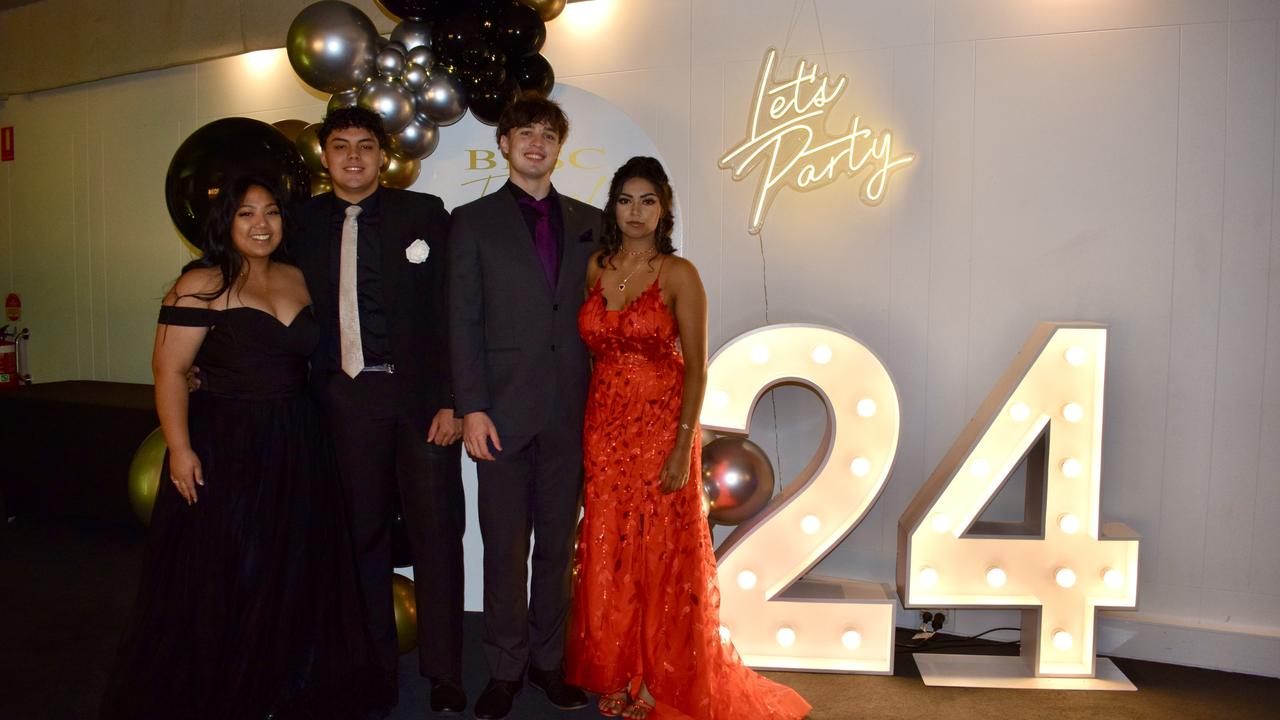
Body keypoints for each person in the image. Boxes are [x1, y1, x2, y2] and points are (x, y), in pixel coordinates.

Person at [102, 176, 384, 720]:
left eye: (272, 213)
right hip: (226, 444)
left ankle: (284, 681)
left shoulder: (300, 277)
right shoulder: (198, 285)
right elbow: (170, 371)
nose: (261, 224)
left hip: (298, 438)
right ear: (225, 224)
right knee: (233, 566)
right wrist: (180, 450)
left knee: (292, 564)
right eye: (246, 214)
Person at [566, 157, 812, 720]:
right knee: (609, 548)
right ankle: (622, 669)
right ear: (613, 207)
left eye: (647, 201)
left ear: (664, 209)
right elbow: (590, 353)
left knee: (660, 556)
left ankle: (658, 679)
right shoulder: (596, 266)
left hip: (661, 430)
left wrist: (683, 445)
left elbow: (697, 368)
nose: (635, 211)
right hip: (604, 428)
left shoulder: (679, 274)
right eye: (626, 200)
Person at [289, 106, 466, 714]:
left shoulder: (424, 215)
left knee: (437, 533)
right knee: (359, 537)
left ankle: (445, 671)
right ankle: (375, 669)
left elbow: (452, 314)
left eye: (366, 145)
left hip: (420, 403)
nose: (355, 157)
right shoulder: (300, 223)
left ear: (384, 156)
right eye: (341, 146)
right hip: (342, 399)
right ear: (326, 156)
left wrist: (453, 400)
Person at [449, 92, 599, 720]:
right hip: (500, 418)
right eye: (524, 132)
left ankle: (548, 663)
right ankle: (504, 670)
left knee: (557, 546)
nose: (536, 142)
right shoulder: (471, 222)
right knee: (504, 548)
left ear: (558, 148)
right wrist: (471, 407)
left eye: (547, 134)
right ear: (503, 144)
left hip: (572, 414)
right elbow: (462, 321)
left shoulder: (593, 222)